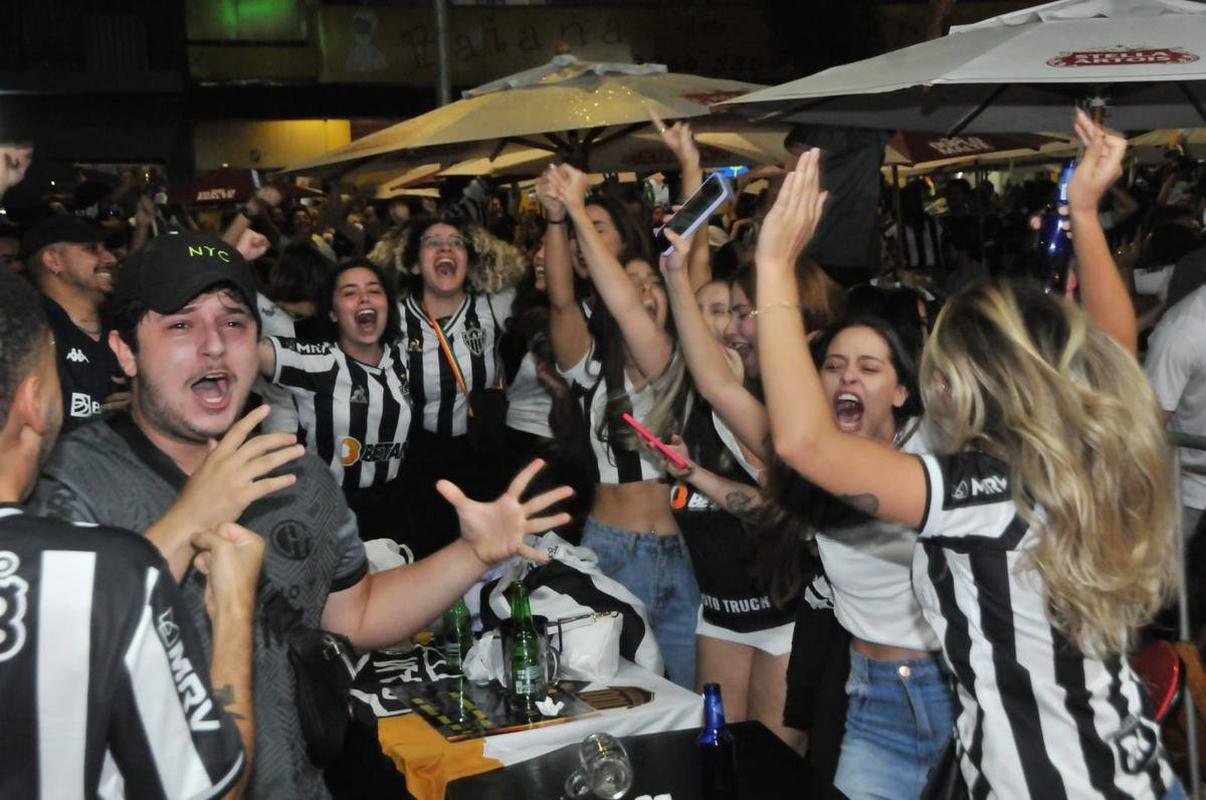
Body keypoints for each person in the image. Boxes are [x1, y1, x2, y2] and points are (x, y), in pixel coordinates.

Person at [31, 229, 572, 798]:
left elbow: (356, 614)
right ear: (124, 352)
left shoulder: (298, 476)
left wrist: (471, 554)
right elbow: (56, 664)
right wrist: (191, 519)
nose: (214, 345)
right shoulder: (69, 483)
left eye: (234, 323)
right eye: (182, 324)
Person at [755, 113, 1182, 798]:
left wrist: (774, 266)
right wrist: (1085, 216)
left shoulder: (985, 495)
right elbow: (1115, 353)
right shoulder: (1084, 460)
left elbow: (805, 443)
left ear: (965, 383)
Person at [0, 268, 257, 798]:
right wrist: (233, 609)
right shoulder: (101, 574)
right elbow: (215, 789)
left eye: (233, 324)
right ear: (32, 400)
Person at [540, 162, 699, 688]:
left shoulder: (686, 365)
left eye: (652, 282)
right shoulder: (591, 364)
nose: (643, 292)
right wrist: (558, 219)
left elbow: (692, 275)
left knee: (688, 690)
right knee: (617, 689)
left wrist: (691, 165)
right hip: (614, 550)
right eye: (629, 285)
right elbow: (562, 300)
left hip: (686, 553)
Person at [258, 257, 412, 545]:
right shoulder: (318, 360)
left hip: (393, 505)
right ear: (332, 313)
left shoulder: (400, 357)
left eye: (374, 290)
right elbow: (244, 353)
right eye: (349, 292)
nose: (364, 297)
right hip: (331, 508)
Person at [395, 213, 523, 558]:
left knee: (491, 557)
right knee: (431, 557)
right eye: (432, 242)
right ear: (413, 264)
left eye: (456, 243)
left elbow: (537, 279)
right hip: (419, 459)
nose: (445, 248)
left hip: (483, 451)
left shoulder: (492, 306)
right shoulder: (393, 317)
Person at [21, 215, 128, 429]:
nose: (110, 259)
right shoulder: (26, 335)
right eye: (92, 249)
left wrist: (143, 406)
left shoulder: (126, 327)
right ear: (53, 261)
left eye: (106, 248)